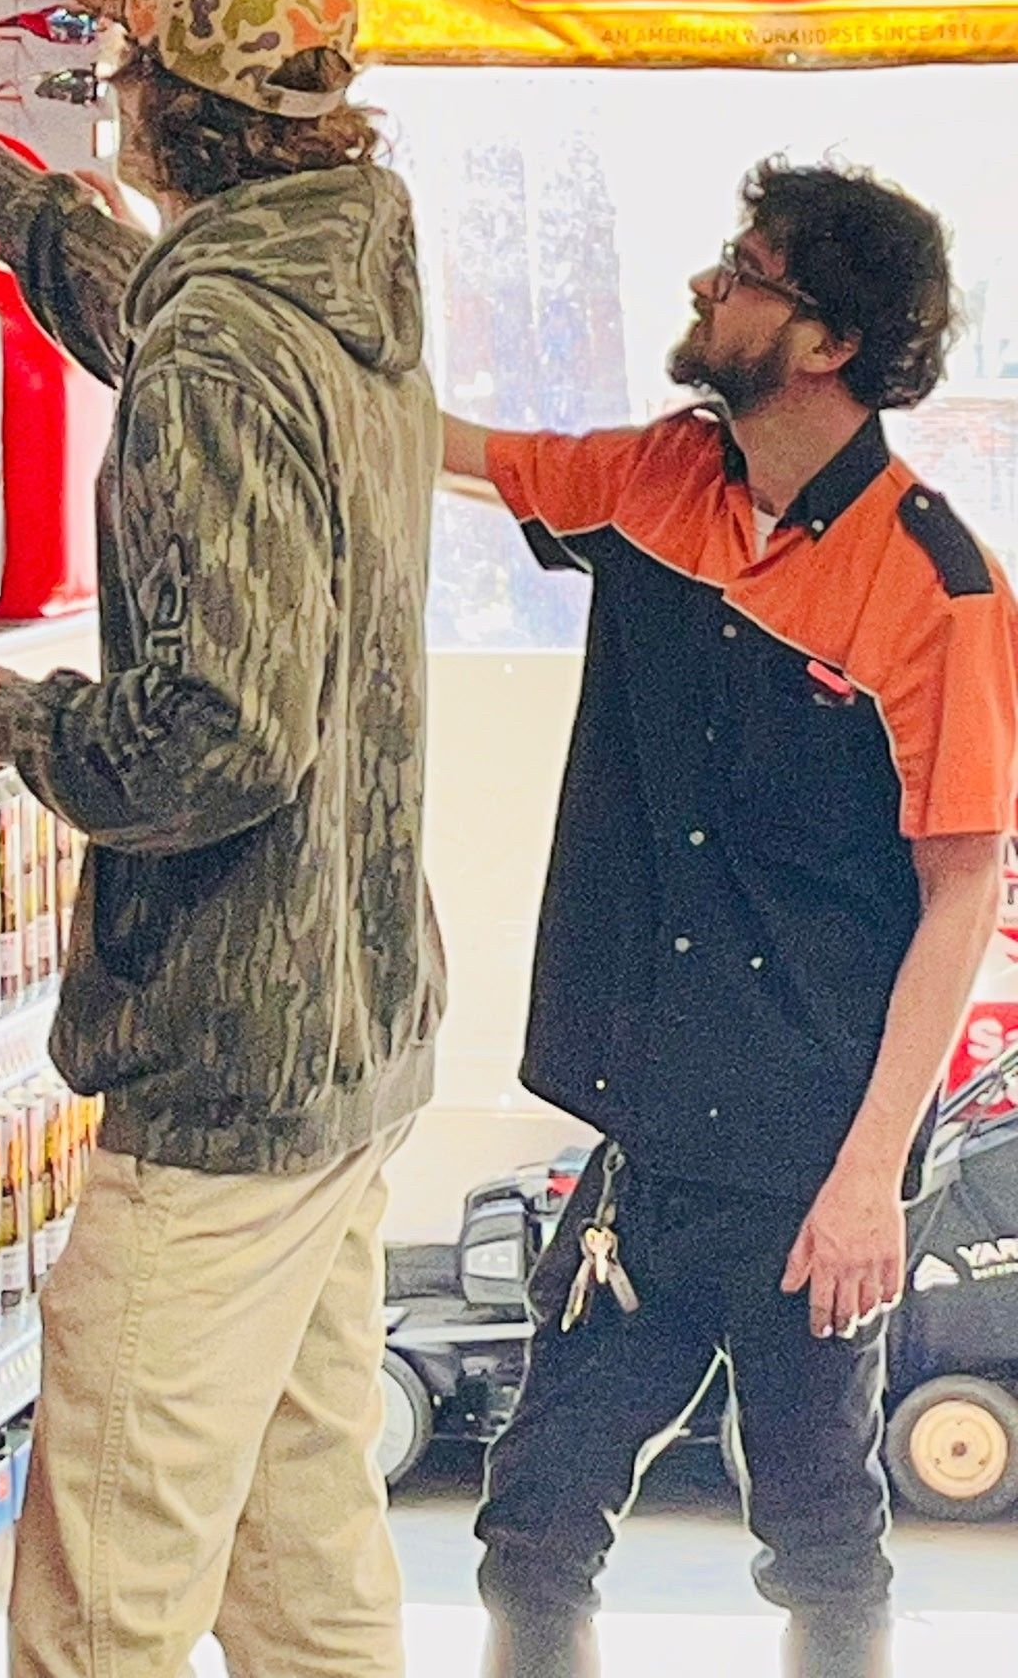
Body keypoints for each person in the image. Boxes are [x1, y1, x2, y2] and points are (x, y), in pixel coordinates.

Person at [0, 0, 445, 1678]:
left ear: (177, 100)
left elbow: (220, 735)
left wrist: (11, 722)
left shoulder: (226, 352)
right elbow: (165, 309)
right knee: (300, 1555)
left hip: (226, 1073)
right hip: (350, 1031)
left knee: (103, 1597)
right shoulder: (339, 270)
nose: (109, 88)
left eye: (122, 62)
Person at [443, 162, 1017, 1678]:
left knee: (823, 1545)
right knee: (532, 1527)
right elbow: (441, 449)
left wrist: (867, 1186)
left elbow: (964, 898)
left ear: (825, 342)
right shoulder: (658, 481)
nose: (711, 287)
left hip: (813, 1156)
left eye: (747, 270)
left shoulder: (939, 589)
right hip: (649, 1141)